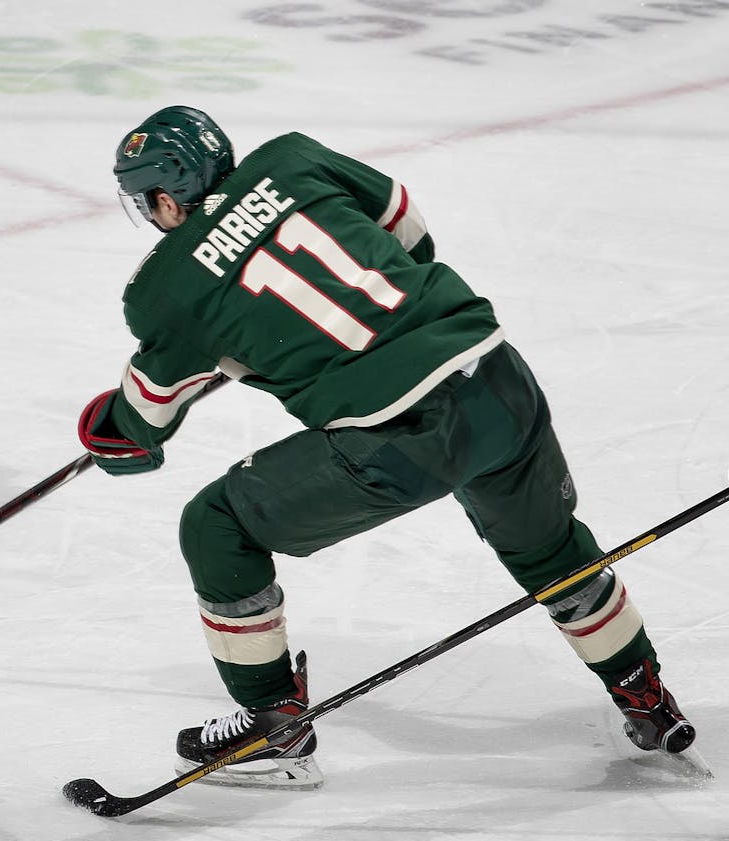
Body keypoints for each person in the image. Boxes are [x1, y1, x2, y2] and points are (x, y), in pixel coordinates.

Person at [77, 105, 696, 789]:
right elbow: (409, 232)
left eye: (148, 202)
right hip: (494, 374)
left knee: (215, 524)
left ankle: (271, 723)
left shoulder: (167, 287)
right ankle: (645, 696)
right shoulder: (291, 158)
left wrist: (107, 427)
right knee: (549, 549)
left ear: (166, 196)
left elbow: (140, 424)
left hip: (402, 437)